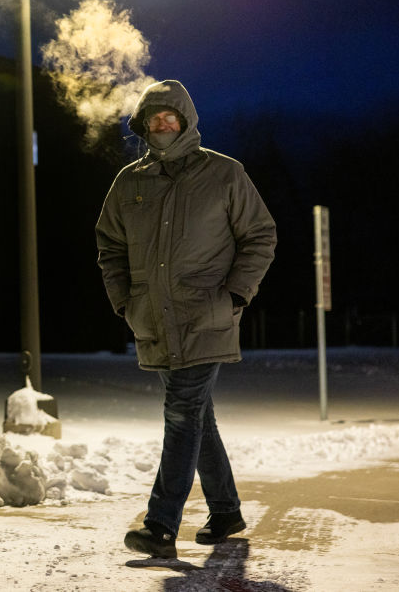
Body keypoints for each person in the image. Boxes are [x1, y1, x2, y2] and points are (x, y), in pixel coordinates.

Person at [94, 80, 277, 558]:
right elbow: (109, 246)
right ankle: (225, 511)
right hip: (153, 319)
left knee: (181, 414)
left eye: (169, 116)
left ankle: (160, 526)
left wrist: (236, 293)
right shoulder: (129, 182)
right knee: (197, 417)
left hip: (205, 315)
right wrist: (124, 302)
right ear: (144, 124)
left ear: (186, 120)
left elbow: (261, 235)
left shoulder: (224, 173)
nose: (161, 124)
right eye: (152, 118)